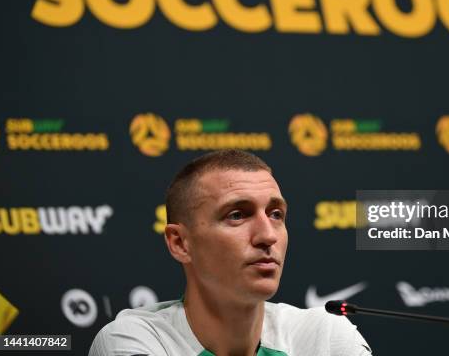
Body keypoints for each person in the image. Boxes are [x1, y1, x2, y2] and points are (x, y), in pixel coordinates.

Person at [89, 150, 372, 356]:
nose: (267, 235)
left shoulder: (325, 336)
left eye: (276, 214)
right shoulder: (134, 340)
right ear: (179, 243)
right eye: (237, 215)